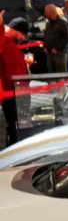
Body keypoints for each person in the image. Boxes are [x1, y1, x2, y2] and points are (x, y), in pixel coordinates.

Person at [0, 12, 30, 146]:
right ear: (16, 30)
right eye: (23, 34)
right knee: (16, 127)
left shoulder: (8, 43)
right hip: (14, 93)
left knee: (13, 126)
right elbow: (14, 74)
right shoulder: (8, 45)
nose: (23, 38)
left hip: (10, 93)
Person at [41, 3, 68, 73]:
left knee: (61, 74)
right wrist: (45, 46)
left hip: (60, 54)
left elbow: (67, 38)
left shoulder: (62, 23)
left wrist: (57, 48)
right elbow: (46, 36)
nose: (44, 13)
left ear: (51, 12)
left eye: (46, 12)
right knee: (51, 74)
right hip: (49, 54)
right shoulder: (48, 24)